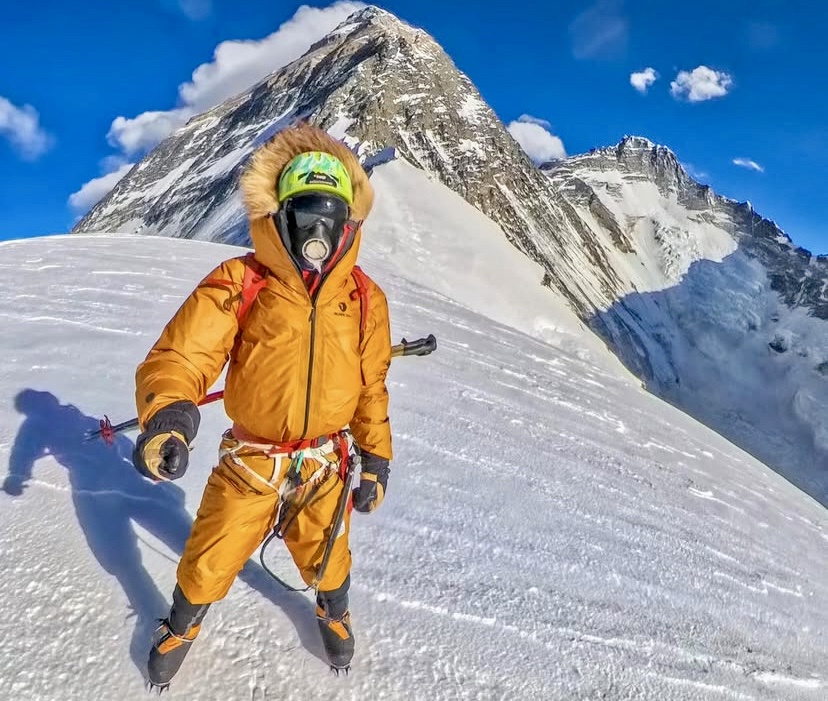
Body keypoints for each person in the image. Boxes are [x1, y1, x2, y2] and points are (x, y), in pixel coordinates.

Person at [132, 123, 393, 688]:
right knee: (211, 552)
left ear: (348, 223)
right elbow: (183, 354)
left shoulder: (365, 298)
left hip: (326, 461)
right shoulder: (241, 280)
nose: (317, 230)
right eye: (305, 212)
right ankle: (182, 620)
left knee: (327, 553)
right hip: (252, 458)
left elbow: (371, 384)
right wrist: (170, 415)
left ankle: (334, 608)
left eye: (330, 213)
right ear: (280, 215)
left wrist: (375, 458)